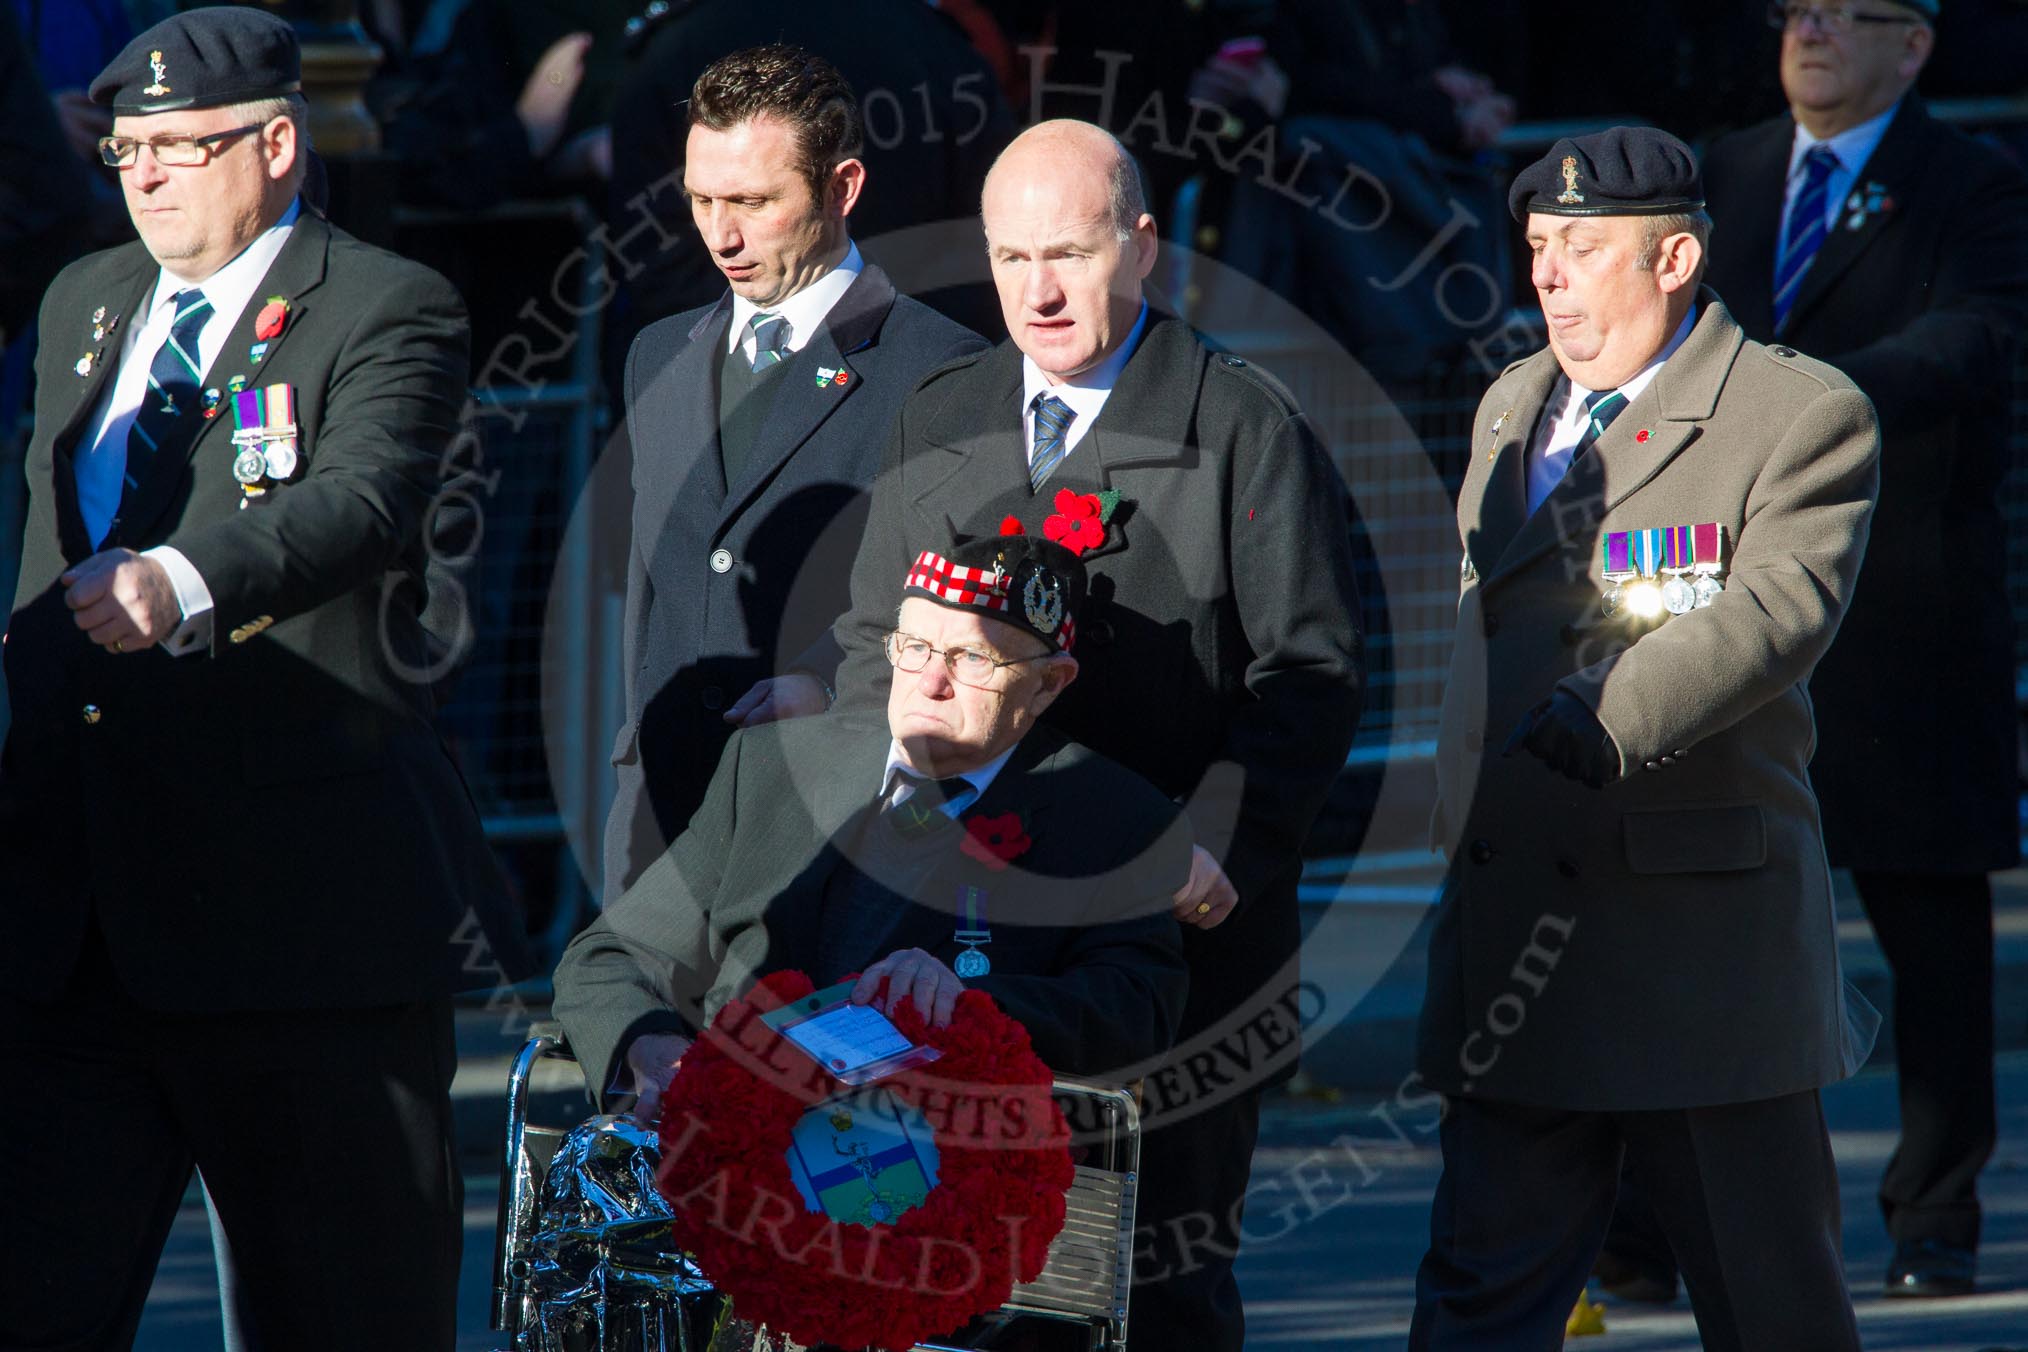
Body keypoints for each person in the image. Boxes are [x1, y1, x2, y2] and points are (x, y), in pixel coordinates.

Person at [781, 118, 1365, 1352]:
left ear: (1143, 248)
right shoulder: (943, 409)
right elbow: (867, 631)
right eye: (1010, 257)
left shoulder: (1238, 420)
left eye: (1070, 252)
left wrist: (1219, 842)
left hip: (1166, 933)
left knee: (1144, 1282)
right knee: (938, 1270)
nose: (1037, 289)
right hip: (947, 925)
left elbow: (1309, 676)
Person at [0, 10, 530, 1348]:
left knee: (339, 1321)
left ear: (278, 144)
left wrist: (179, 580)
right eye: (126, 149)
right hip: (81, 925)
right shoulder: (87, 299)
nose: (146, 176)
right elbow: (41, 564)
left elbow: (359, 502)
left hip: (303, 935)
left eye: (181, 146)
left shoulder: (385, 304)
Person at [1411, 126, 1882, 1350]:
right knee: (1475, 1308)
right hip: (1519, 950)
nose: (1550, 276)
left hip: (1694, 952)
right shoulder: (1514, 403)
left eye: (1581, 247)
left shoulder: (1794, 410)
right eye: (1535, 248)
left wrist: (1609, 709)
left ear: (1674, 257)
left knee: (1771, 1307)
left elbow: (1777, 608)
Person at [1588, 0, 2028, 1304]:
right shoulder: (1717, 172)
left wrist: (1785, 405)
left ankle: (1933, 1219)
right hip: (1704, 607)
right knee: (1683, 917)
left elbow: (1975, 344)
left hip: (1903, 620)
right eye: (1800, 10)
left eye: (1852, 13)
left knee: (1930, 932)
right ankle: (1649, 1226)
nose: (1815, 31)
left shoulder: (1973, 184)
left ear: (1918, 45)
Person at [557, 534, 1191, 1118]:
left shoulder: (1111, 814)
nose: (930, 682)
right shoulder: (777, 765)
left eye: (971, 658)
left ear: (1049, 683)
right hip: (733, 1150)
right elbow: (612, 955)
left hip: (938, 1176)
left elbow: (1137, 1010)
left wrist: (972, 1005)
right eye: (913, 648)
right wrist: (651, 1048)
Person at [602, 44, 987, 903]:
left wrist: (822, 679)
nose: (721, 234)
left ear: (842, 188)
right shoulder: (657, 356)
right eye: (702, 200)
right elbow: (653, 599)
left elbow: (952, 600)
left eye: (753, 202)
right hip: (663, 820)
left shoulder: (941, 366)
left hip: (838, 821)